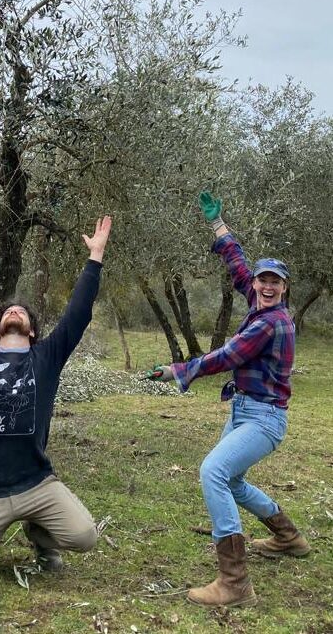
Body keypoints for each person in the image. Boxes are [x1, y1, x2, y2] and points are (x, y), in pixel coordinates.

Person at [147, 191, 310, 607]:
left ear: (285, 289)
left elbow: (227, 356)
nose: (267, 286)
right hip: (244, 411)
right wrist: (218, 225)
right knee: (232, 480)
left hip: (264, 419)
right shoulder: (259, 302)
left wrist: (179, 370)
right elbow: (238, 264)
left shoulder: (272, 323)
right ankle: (288, 536)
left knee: (213, 473)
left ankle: (234, 583)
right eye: (263, 279)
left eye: (275, 281)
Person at [0, 213, 111, 593]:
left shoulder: (46, 357)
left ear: (31, 330)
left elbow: (77, 314)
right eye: (7, 313)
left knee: (85, 536)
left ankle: (40, 534)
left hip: (36, 484)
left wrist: (94, 258)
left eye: (22, 313)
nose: (14, 312)